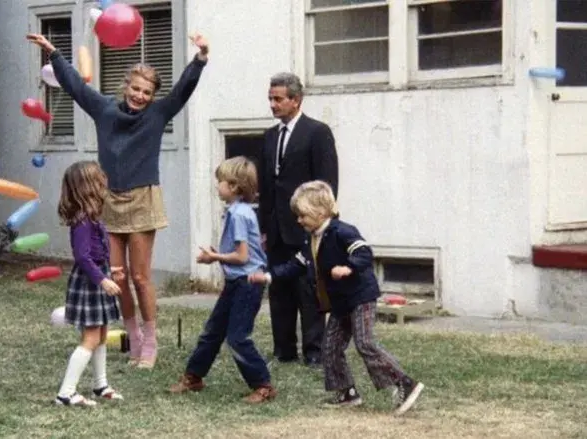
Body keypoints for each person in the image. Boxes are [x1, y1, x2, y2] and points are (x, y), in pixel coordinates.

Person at [27, 31, 210, 369]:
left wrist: (200, 58)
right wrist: (54, 54)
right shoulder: (105, 109)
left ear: (153, 95)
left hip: (143, 199)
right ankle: (134, 339)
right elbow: (77, 89)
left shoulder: (158, 113)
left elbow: (183, 88)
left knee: (140, 277)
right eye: (135, 88)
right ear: (126, 86)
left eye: (147, 91)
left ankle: (151, 343)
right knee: (117, 276)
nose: (140, 96)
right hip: (106, 202)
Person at [249, 181, 424, 415]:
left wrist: (348, 267)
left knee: (365, 342)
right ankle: (346, 392)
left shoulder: (342, 232)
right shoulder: (309, 239)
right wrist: (269, 276)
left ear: (319, 211)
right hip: (340, 303)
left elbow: (364, 253)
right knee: (330, 347)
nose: (298, 221)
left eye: (301, 215)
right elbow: (295, 266)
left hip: (360, 297)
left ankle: (404, 383)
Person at [169, 156, 276, 403]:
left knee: (237, 337)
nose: (217, 186)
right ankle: (194, 376)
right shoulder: (237, 211)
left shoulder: (239, 214)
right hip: (235, 283)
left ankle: (263, 384)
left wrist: (213, 257)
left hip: (247, 284)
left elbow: (242, 256)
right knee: (212, 332)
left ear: (234, 186)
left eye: (220, 181)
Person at [258, 72, 339, 367]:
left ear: (296, 100)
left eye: (278, 99)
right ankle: (284, 350)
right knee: (279, 289)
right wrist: (264, 228)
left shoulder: (317, 132)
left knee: (308, 290)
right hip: (277, 229)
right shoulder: (269, 136)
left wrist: (320, 225)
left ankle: (315, 352)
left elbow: (327, 183)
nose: (272, 104)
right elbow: (267, 187)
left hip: (306, 228)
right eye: (270, 98)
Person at [54, 161, 125, 407]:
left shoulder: (93, 218)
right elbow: (82, 257)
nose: (104, 180)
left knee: (102, 334)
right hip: (90, 284)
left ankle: (100, 385)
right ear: (87, 187)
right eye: (98, 178)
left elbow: (93, 254)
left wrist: (108, 269)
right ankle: (66, 393)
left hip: (96, 278)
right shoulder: (83, 221)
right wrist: (102, 279)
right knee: (91, 338)